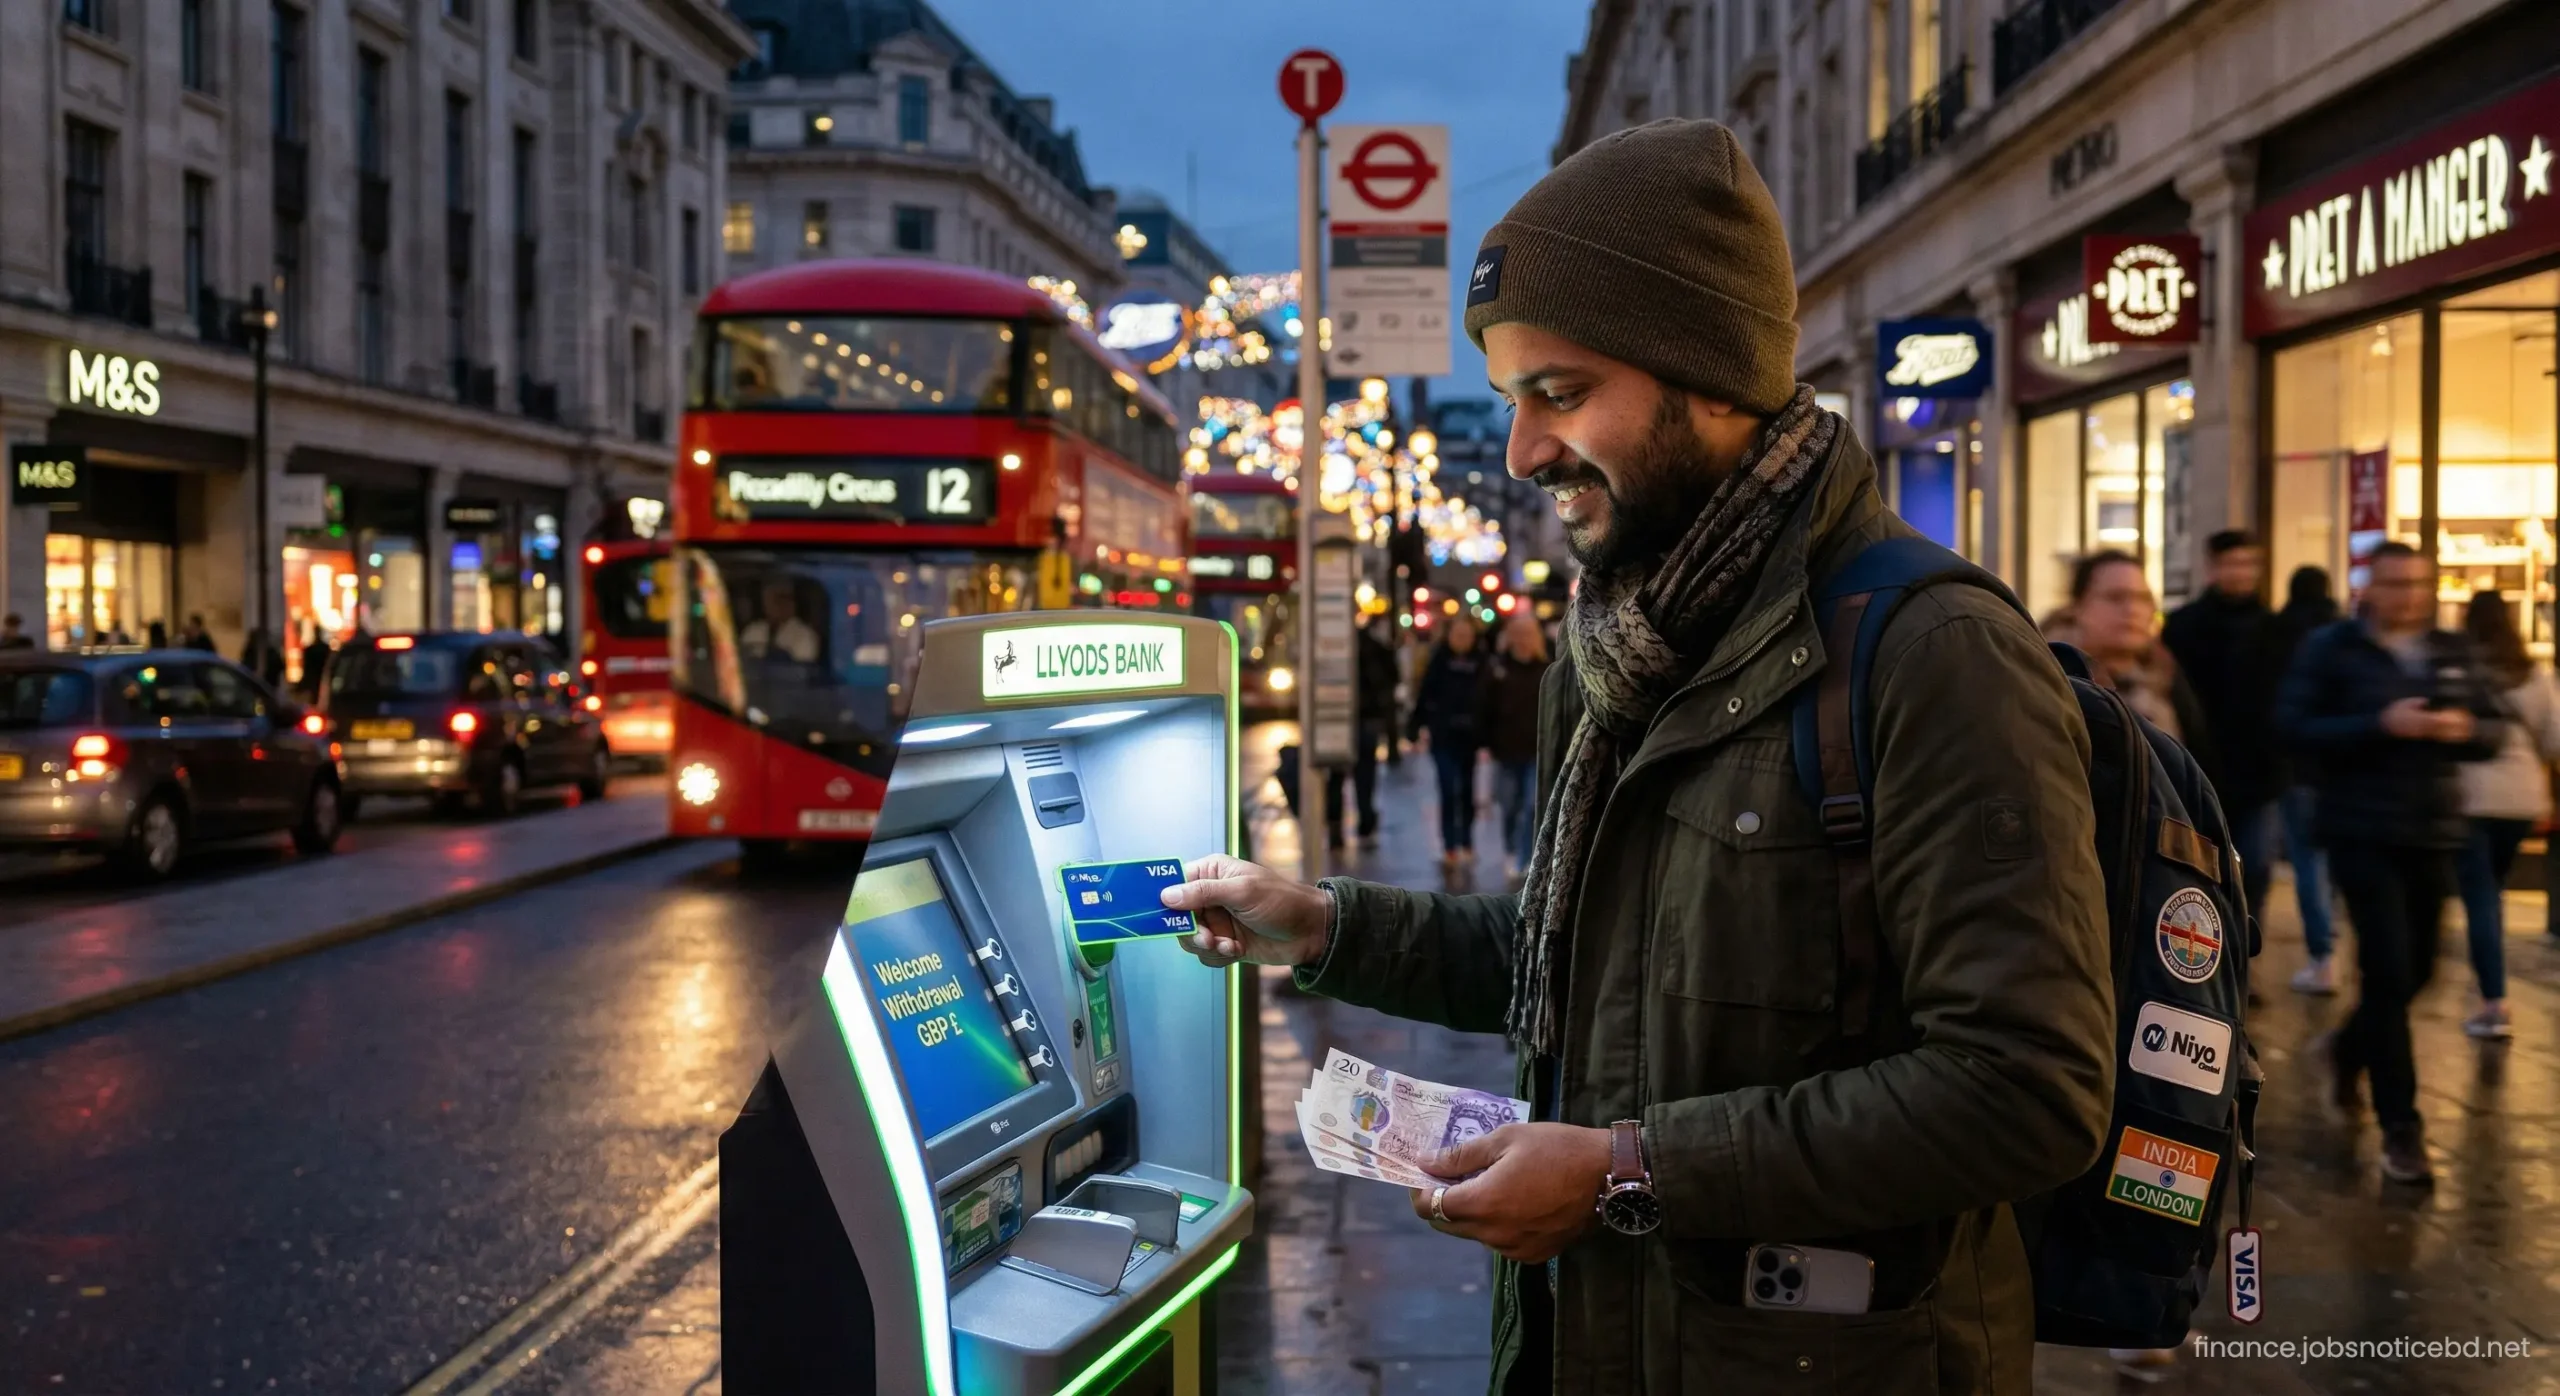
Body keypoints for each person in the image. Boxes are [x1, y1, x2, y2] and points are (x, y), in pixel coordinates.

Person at [1159, 119, 2110, 1394]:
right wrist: (1322, 922)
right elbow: (1576, 963)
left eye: (1559, 394)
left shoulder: (1938, 650)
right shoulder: (1616, 644)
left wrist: (1625, 1170)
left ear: (1710, 375)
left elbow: (2024, 1089)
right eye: (1509, 403)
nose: (1522, 453)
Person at [2279, 541, 2504, 1184]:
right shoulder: (2332, 648)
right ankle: (2402, 1129)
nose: (2410, 595)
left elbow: (2494, 728)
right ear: (2368, 587)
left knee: (2423, 971)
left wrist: (2468, 731)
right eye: (2397, 583)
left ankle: (2347, 1052)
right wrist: (2381, 723)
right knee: (2387, 975)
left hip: (2431, 831)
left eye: (2420, 584)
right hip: (2359, 830)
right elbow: (2294, 727)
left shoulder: (2450, 649)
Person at [2162, 530, 2285, 926]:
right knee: (2200, 873)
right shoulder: (2183, 628)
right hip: (2197, 769)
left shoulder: (2273, 629)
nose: (2241, 573)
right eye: (2232, 564)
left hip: (2259, 774)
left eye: (2249, 564)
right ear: (2212, 567)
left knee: (2257, 870)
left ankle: (2245, 961)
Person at [2454, 590, 2560, 1041]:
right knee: (2491, 890)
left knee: (2480, 895)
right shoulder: (2532, 674)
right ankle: (2487, 976)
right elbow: (2554, 739)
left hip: (2470, 798)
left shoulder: (2458, 669)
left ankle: (2494, 1000)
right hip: (2521, 799)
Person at [2045, 550, 2213, 756]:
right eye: (2115, 597)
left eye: (2142, 599)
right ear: (2077, 607)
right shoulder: (2048, 677)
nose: (2132, 610)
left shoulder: (2168, 680)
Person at [2271, 566, 2344, 991]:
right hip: (2341, 769)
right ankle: (2335, 938)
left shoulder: (2280, 632)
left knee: (2307, 862)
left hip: (2298, 767)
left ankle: (2323, 955)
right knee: (2335, 861)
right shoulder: (2344, 634)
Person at [1405, 613, 1489, 867]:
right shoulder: (1438, 661)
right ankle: (1450, 845)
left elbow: (1490, 700)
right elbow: (1425, 695)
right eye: (1458, 635)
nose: (1462, 640)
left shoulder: (1482, 662)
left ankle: (1466, 841)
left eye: (1466, 635)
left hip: (1470, 737)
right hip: (1443, 736)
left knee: (1465, 790)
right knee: (1447, 788)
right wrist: (1415, 727)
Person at [1477, 609, 1550, 882]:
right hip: (1505, 751)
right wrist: (1485, 743)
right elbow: (1483, 708)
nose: (1522, 640)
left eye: (1527, 634)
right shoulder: (1497, 669)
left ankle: (1525, 857)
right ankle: (1510, 850)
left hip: (1536, 751)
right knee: (1509, 806)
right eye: (1517, 634)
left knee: (1532, 806)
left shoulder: (1547, 670)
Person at [1324, 612, 1398, 851]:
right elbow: (1391, 678)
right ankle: (1365, 823)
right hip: (1367, 718)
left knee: (1335, 776)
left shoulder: (1331, 649)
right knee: (1364, 775)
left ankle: (1335, 828)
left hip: (1338, 719)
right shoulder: (1375, 647)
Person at [738, 578, 819, 663]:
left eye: (783, 599)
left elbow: (802, 669)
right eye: (771, 599)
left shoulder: (805, 635)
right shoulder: (753, 630)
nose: (779, 605)